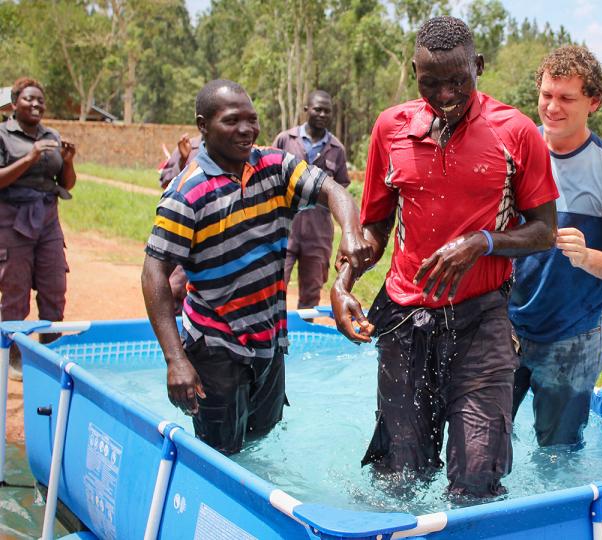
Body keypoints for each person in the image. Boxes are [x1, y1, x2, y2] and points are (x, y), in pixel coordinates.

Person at [329, 16, 558, 497]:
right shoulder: (390, 128)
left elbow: (544, 232)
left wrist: (483, 242)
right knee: (400, 475)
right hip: (404, 321)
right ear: (414, 72)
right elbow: (374, 229)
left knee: (478, 475)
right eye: (430, 82)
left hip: (482, 321)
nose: (446, 93)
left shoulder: (514, 132)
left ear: (478, 66)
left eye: (458, 79)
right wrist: (343, 283)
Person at [141, 79, 371, 455]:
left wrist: (349, 230)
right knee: (222, 455)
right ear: (203, 125)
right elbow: (153, 273)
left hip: (269, 341)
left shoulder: (275, 166)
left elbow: (332, 189)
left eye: (252, 119)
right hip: (215, 346)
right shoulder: (185, 193)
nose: (246, 129)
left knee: (261, 444)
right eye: (233, 121)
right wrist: (175, 360)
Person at [509, 45, 602, 448]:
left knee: (558, 454)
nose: (553, 107)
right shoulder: (516, 152)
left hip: (572, 338)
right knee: (481, 441)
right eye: (547, 95)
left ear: (594, 102)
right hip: (505, 327)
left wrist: (589, 258)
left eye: (567, 98)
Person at [0, 77, 77, 381]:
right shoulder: (3, 135)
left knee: (54, 289)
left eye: (40, 100)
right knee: (15, 292)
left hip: (48, 222)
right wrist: (30, 157)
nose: (35, 105)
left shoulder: (52, 135)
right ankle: (14, 356)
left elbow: (66, 184)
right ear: (15, 103)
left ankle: (49, 354)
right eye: (28, 99)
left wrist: (68, 162)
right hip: (11, 223)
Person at [272, 90, 350, 311]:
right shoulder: (285, 140)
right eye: (317, 109)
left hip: (318, 231)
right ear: (306, 109)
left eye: (327, 111)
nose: (322, 114)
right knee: (274, 285)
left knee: (311, 292)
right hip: (284, 227)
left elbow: (340, 188)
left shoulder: (337, 150)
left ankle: (303, 340)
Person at [157, 133, 201, 314]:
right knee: (175, 289)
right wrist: (183, 160)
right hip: (185, 234)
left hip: (219, 240)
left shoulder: (238, 151)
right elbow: (165, 182)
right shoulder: (190, 147)